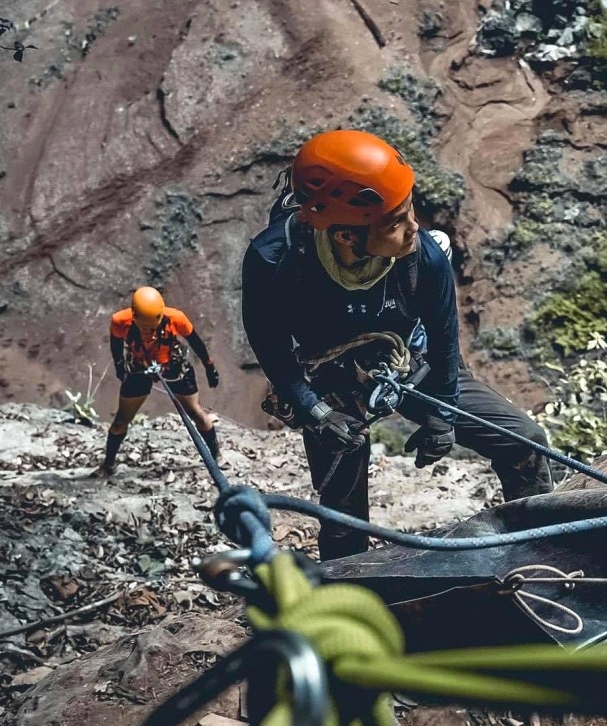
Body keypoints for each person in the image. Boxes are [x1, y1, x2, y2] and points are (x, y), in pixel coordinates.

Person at [241, 129, 552, 560]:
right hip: (329, 377)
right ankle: (347, 593)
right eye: (396, 221)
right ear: (346, 235)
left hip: (411, 358)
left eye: (409, 212)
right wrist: (316, 410)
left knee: (524, 439)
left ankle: (538, 550)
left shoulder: (424, 257)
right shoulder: (274, 260)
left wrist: (442, 416)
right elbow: (271, 346)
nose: (414, 229)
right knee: (343, 512)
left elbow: (445, 344)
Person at [94, 286, 221, 476]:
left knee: (195, 412)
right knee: (121, 419)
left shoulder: (175, 318)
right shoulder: (120, 321)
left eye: (152, 327)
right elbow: (116, 345)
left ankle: (215, 457)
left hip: (173, 366)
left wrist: (209, 366)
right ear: (135, 318)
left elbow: (195, 341)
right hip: (139, 367)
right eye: (144, 328)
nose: (149, 332)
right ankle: (108, 464)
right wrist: (120, 366)